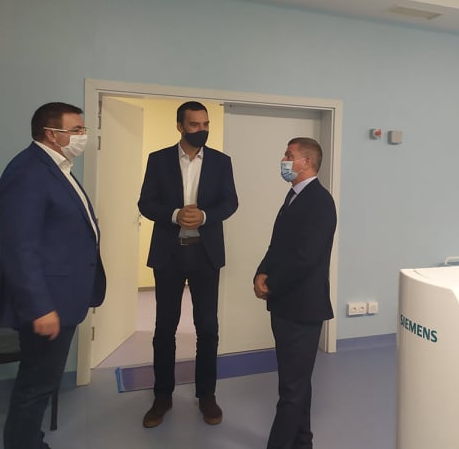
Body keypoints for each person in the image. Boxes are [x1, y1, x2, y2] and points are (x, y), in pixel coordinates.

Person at [0, 102, 107, 449]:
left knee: (41, 384)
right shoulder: (28, 172)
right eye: (76, 130)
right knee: (35, 386)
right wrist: (40, 307)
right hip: (47, 302)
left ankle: (30, 440)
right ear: (51, 134)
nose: (83, 136)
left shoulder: (58, 168)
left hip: (63, 296)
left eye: (83, 129)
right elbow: (19, 248)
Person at [138, 101, 238, 428]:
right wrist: (174, 215)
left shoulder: (221, 162)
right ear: (180, 126)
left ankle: (206, 395)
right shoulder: (158, 160)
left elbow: (230, 202)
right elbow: (145, 203)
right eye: (194, 125)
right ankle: (162, 396)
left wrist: (205, 216)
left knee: (207, 328)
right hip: (169, 254)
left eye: (205, 124)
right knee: (164, 328)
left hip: (205, 254)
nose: (201, 130)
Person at [254, 137, 337, 449]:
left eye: (289, 155)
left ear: (307, 162)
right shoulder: (293, 197)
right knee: (296, 381)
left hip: (303, 308)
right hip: (285, 305)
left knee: (291, 389)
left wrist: (272, 283)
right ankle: (303, 442)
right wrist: (261, 273)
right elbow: (277, 246)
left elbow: (306, 257)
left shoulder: (320, 202)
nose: (284, 160)